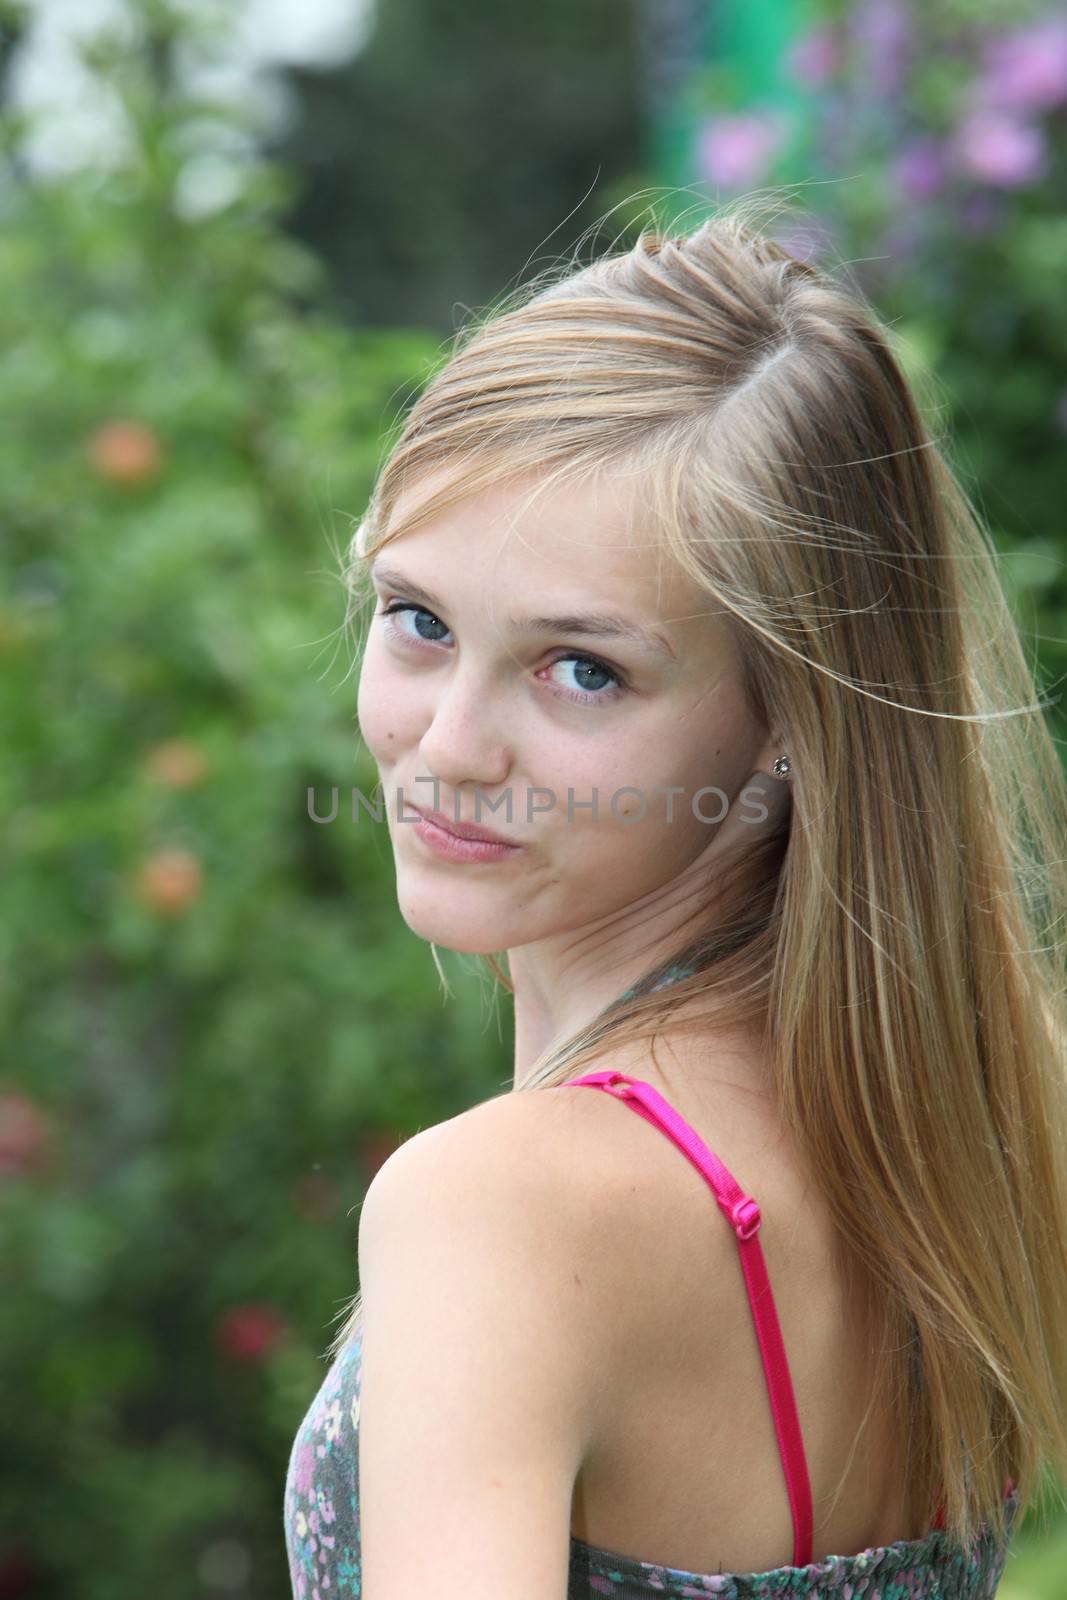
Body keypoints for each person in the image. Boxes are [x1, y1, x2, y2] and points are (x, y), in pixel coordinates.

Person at [283, 194, 1067, 1599]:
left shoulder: (501, 1207)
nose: (451, 745)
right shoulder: (965, 1126)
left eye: (583, 668)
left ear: (786, 722)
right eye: (420, 621)